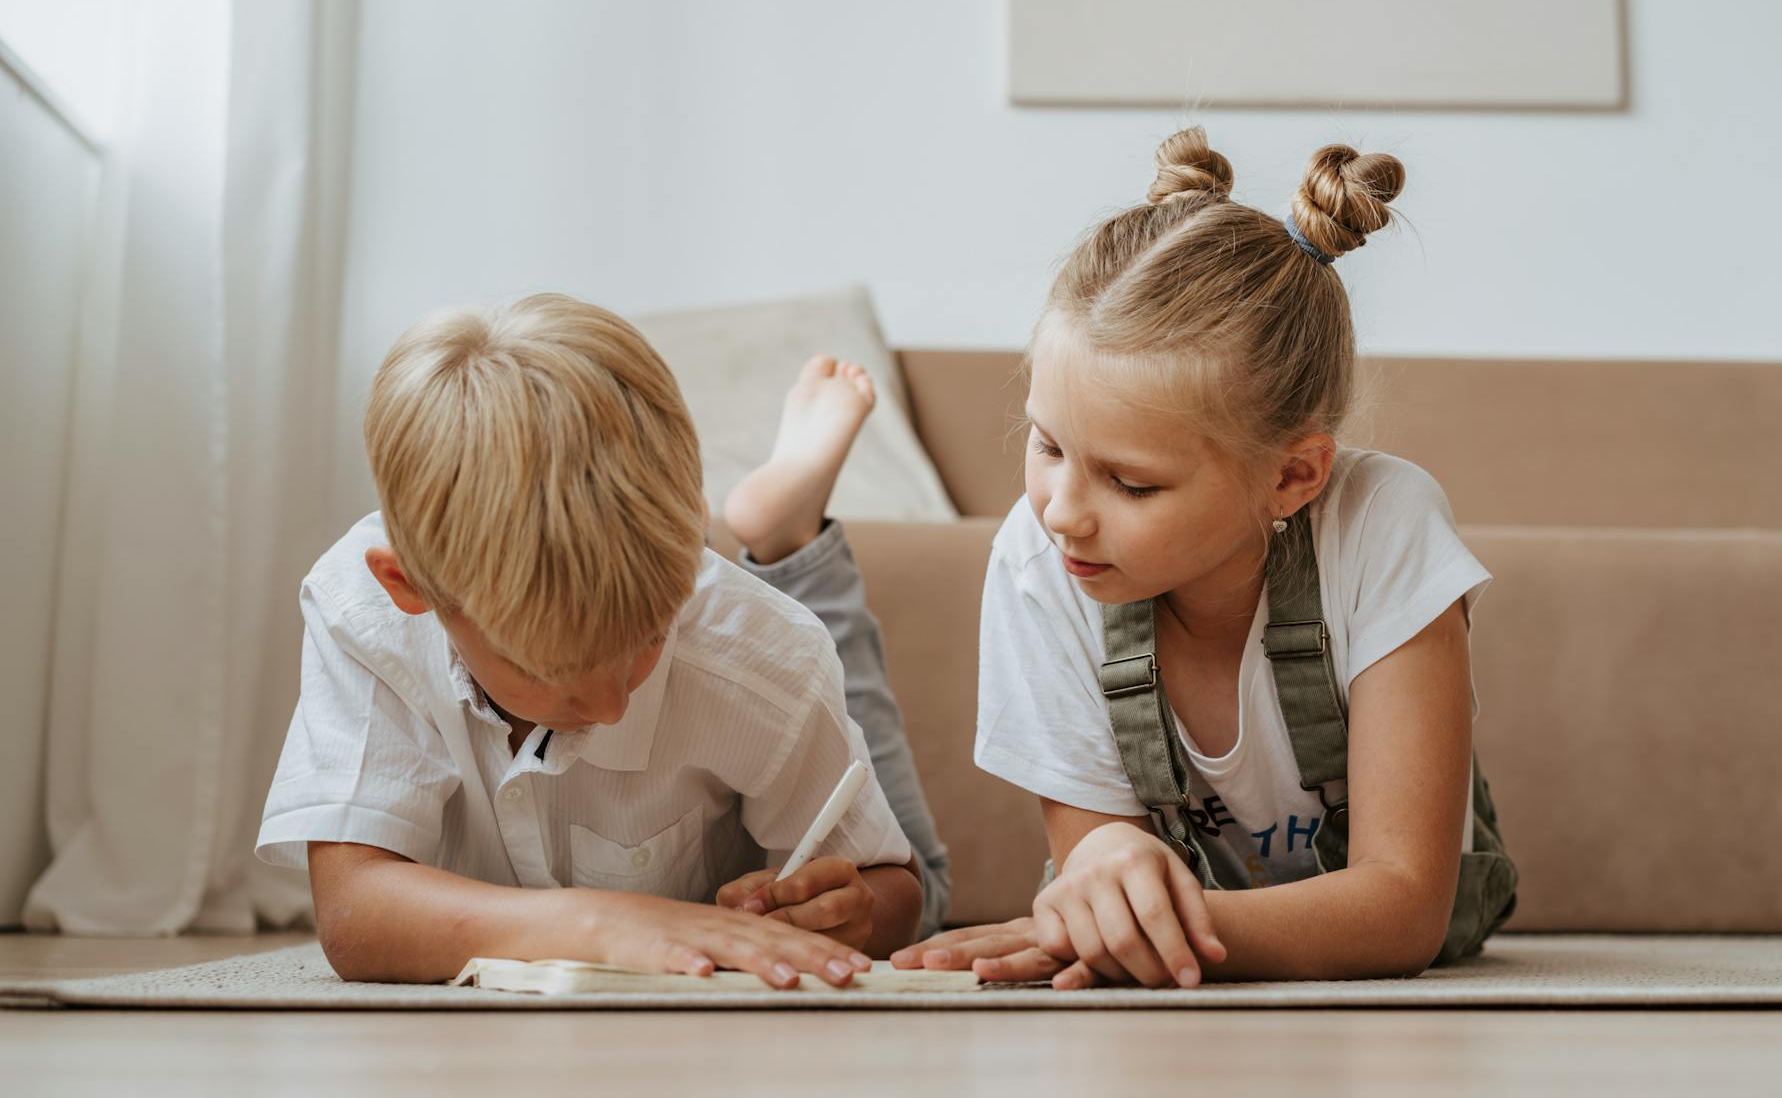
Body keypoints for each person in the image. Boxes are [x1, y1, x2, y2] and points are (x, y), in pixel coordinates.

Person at [895, 127, 1516, 988]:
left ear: (1292, 476)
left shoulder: (1384, 524)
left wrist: (1144, 933)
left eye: (1132, 484)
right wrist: (1106, 880)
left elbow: (1404, 907)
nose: (1063, 514)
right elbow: (1097, 857)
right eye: (1046, 446)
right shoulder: (1036, 563)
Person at [257, 295, 940, 986]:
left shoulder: (762, 652)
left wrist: (850, 911)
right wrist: (603, 923)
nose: (612, 706)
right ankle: (788, 536)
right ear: (412, 590)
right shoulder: (364, 615)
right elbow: (354, 916)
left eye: (649, 638)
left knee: (934, 885)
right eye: (553, 668)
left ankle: (795, 545)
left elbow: (895, 893)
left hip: (768, 650)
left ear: (694, 541)